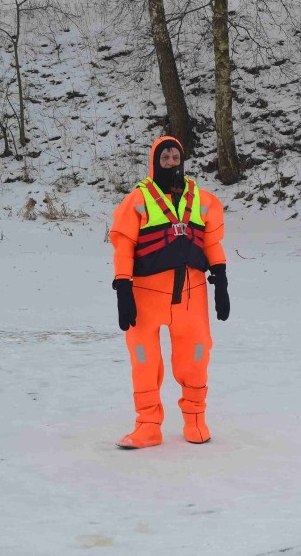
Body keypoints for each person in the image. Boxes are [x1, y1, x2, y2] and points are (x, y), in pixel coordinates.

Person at [109, 135, 230, 449]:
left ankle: (195, 420)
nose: (172, 162)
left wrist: (221, 279)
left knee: (197, 356)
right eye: (166, 158)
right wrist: (123, 287)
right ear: (155, 161)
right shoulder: (137, 199)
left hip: (192, 296)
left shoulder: (203, 200)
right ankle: (148, 425)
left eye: (176, 157)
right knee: (144, 360)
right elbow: (124, 246)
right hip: (146, 295)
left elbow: (212, 243)